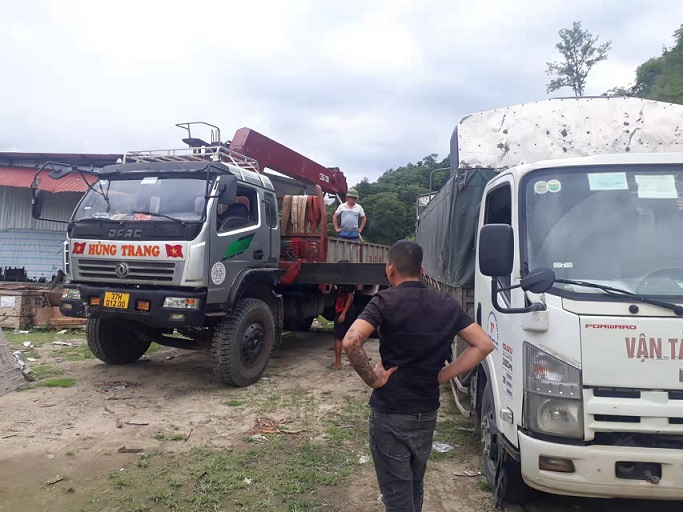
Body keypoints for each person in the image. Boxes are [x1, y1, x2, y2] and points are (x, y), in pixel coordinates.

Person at [342, 240, 493, 512]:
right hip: (426, 411)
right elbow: (483, 344)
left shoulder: (384, 301)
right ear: (421, 270)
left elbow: (351, 341)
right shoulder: (446, 304)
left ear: (390, 269)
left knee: (398, 496)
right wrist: (443, 375)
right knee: (414, 484)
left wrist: (374, 380)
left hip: (391, 411)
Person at [331, 276, 355, 370]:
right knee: (348, 336)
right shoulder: (344, 281)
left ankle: (338, 363)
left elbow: (350, 297)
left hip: (343, 311)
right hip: (343, 310)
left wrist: (343, 314)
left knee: (338, 337)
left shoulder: (347, 282)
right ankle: (353, 362)